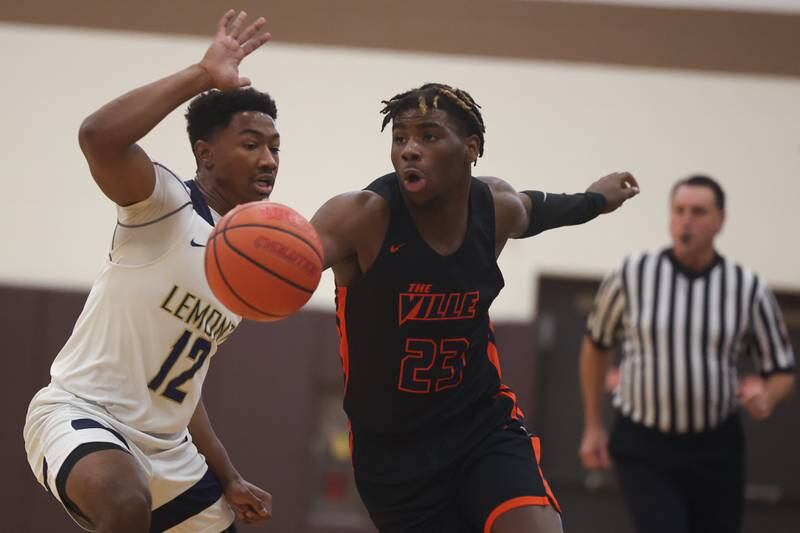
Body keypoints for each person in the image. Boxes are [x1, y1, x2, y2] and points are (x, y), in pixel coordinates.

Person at [310, 83, 639, 533]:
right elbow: (290, 258)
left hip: (479, 425)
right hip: (392, 450)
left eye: (428, 136)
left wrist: (595, 201)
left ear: (471, 147)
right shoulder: (361, 217)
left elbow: (535, 210)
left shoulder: (494, 209)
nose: (409, 150)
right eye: (400, 138)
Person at [23, 11, 277, 532]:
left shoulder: (244, 266)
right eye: (252, 145)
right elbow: (98, 137)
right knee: (122, 502)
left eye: (275, 148)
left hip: (169, 450)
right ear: (205, 154)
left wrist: (226, 474)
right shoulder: (165, 204)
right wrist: (203, 74)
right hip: (83, 416)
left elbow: (180, 384)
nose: (269, 160)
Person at [578, 175, 796, 533]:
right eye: (679, 211)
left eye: (698, 211)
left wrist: (767, 397)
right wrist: (592, 426)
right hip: (643, 441)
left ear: (720, 221)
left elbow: (782, 369)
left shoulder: (747, 288)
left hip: (716, 446)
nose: (686, 220)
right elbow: (595, 345)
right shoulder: (632, 274)